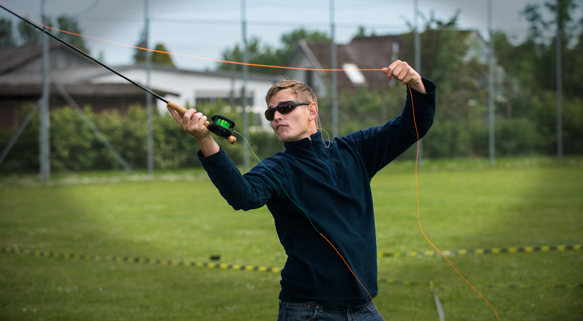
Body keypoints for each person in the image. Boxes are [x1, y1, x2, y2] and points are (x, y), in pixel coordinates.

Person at [168, 60, 436, 321]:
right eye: (271, 113)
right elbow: (243, 196)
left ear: (312, 110)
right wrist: (205, 139)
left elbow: (413, 125)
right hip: (309, 310)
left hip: (363, 307)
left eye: (285, 108)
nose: (277, 117)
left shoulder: (355, 150)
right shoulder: (277, 168)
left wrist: (415, 82)